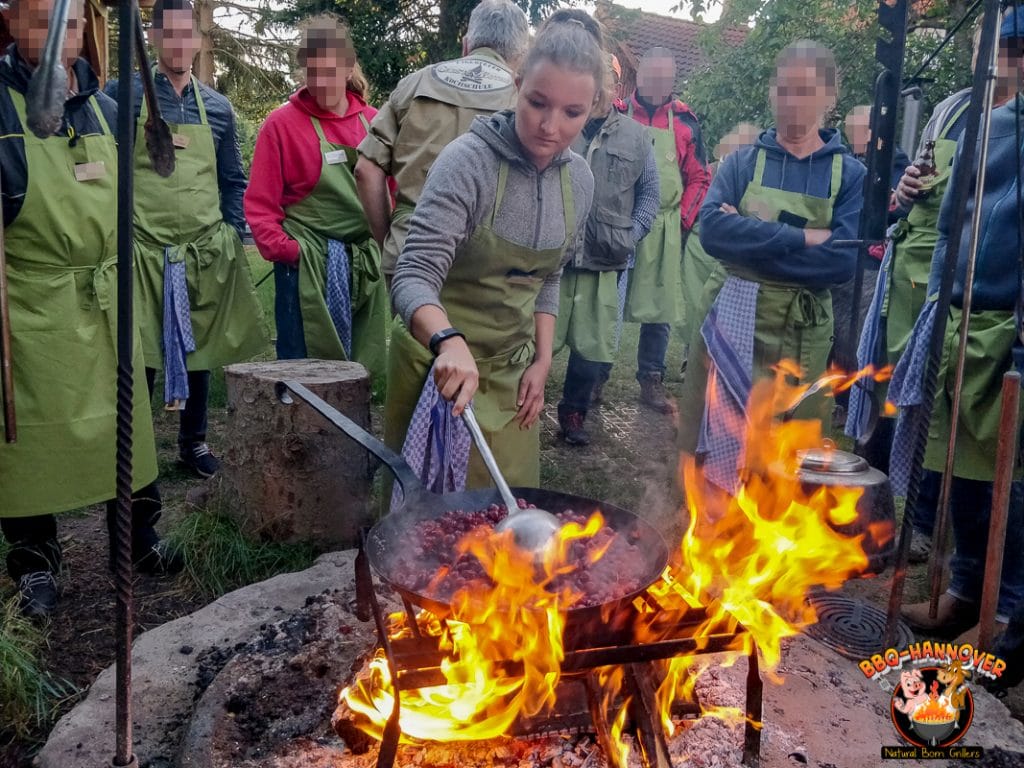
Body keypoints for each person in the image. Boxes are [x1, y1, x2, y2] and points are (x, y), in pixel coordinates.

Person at [0, 0, 180, 619]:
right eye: (39, 19)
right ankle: (35, 566)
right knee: (28, 438)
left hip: (109, 295)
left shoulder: (102, 109)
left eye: (70, 21)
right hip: (35, 305)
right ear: (12, 22)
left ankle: (138, 542)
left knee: (128, 421)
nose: (58, 34)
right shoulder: (1, 110)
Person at [384, 8, 598, 491]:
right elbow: (413, 275)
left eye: (572, 113)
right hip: (437, 368)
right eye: (538, 102)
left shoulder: (580, 181)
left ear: (593, 107)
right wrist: (447, 341)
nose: (550, 126)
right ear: (516, 83)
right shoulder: (466, 162)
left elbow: (549, 276)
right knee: (427, 538)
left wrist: (542, 362)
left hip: (511, 376)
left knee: (508, 529)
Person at [863, 12, 1024, 562]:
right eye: (980, 38)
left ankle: (928, 529)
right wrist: (907, 188)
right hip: (918, 279)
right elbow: (922, 185)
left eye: (996, 41)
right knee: (909, 401)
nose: (986, 51)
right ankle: (901, 521)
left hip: (970, 286)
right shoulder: (955, 108)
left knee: (952, 419)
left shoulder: (1013, 122)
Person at [678, 40, 865, 496]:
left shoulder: (850, 175)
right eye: (783, 90)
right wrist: (800, 237)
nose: (791, 102)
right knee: (718, 432)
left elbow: (841, 260)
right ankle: (713, 528)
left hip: (802, 329)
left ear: (830, 96)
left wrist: (750, 234)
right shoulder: (743, 162)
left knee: (789, 448)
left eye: (804, 91)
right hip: (733, 318)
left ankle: (774, 542)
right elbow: (713, 233)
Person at [895, 34, 1024, 639]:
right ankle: (967, 590)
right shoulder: (964, 114)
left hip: (1012, 323)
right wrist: (936, 305)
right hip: (959, 316)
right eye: (997, 42)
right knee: (963, 469)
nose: (1002, 55)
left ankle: (1007, 611)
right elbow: (948, 224)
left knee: (1011, 478)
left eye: (1014, 44)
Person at [106, 0, 266, 479]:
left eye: (186, 34)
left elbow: (233, 178)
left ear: (197, 40)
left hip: (202, 250)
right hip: (142, 250)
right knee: (142, 350)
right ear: (152, 39)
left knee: (198, 348)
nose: (179, 44)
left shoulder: (216, 108)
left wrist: (233, 232)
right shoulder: (123, 96)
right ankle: (133, 448)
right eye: (168, 34)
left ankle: (193, 442)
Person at [245, 16, 388, 394]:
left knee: (359, 370)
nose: (321, 82)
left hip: (362, 265)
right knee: (300, 370)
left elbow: (394, 193)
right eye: (313, 72)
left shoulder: (375, 125)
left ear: (348, 66)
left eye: (329, 71)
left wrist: (381, 247)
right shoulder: (281, 125)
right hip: (304, 270)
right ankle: (297, 447)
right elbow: (260, 206)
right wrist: (291, 252)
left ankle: (351, 447)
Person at [355, 0, 529, 284]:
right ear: (521, 55)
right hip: (488, 263)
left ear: (466, 44)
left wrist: (389, 237)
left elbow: (366, 170)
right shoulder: (525, 100)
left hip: (410, 250)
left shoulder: (414, 84)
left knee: (411, 329)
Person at [555, 54, 659, 446]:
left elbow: (649, 193)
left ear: (618, 88)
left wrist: (633, 234)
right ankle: (521, 408)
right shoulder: (562, 121)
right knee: (535, 339)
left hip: (607, 258)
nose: (601, 86)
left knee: (592, 344)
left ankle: (573, 413)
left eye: (608, 80)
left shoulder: (636, 135)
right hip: (557, 257)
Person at [620, 47, 710, 413]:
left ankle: (651, 378)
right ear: (639, 76)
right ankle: (592, 377)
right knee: (607, 300)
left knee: (660, 307)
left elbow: (700, 178)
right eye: (650, 76)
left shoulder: (687, 124)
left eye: (664, 78)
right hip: (619, 221)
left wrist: (684, 221)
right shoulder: (616, 114)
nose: (657, 84)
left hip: (666, 226)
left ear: (672, 81)